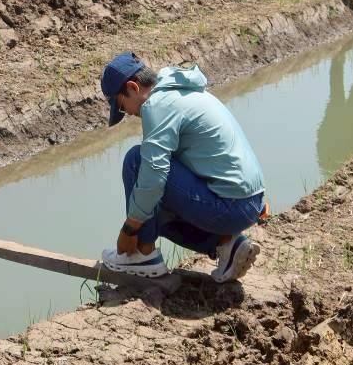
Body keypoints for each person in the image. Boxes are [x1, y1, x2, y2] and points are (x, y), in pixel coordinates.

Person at [98, 53, 267, 283]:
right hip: (249, 201)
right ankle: (226, 245)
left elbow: (154, 174)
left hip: (232, 206)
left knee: (136, 160)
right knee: (152, 208)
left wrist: (129, 229)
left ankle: (142, 254)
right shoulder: (179, 90)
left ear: (132, 87)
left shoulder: (156, 105)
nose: (127, 113)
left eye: (121, 105)